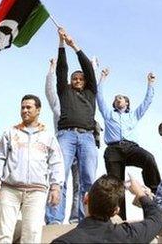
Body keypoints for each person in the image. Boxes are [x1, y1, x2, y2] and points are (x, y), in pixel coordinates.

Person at [0, 94, 64, 243]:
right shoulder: (10, 133)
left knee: (32, 234)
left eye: (29, 107)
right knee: (1, 235)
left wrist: (55, 187)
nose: (25, 110)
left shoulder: (48, 137)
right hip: (10, 189)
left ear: (38, 110)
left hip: (37, 191)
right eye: (22, 107)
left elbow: (57, 162)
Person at [45, 27, 98, 224]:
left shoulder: (91, 92)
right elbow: (62, 70)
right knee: (59, 177)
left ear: (85, 81)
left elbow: (89, 69)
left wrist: (74, 46)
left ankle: (85, 219)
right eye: (74, 79)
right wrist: (61, 44)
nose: (77, 80)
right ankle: (54, 220)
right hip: (66, 135)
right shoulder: (64, 91)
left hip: (87, 137)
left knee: (88, 180)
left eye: (80, 78)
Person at [96, 68, 161, 220]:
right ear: (114, 103)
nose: (119, 99)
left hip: (131, 148)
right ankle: (119, 217)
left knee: (149, 158)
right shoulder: (108, 113)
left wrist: (150, 84)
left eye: (121, 98)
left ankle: (156, 194)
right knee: (116, 184)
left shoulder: (133, 115)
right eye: (116, 98)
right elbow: (99, 97)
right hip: (113, 149)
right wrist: (102, 78)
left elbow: (147, 102)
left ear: (126, 103)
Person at [51, 174, 162, 243]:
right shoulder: (128, 236)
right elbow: (157, 219)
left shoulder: (64, 241)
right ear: (116, 211)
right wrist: (140, 193)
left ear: (86, 199)